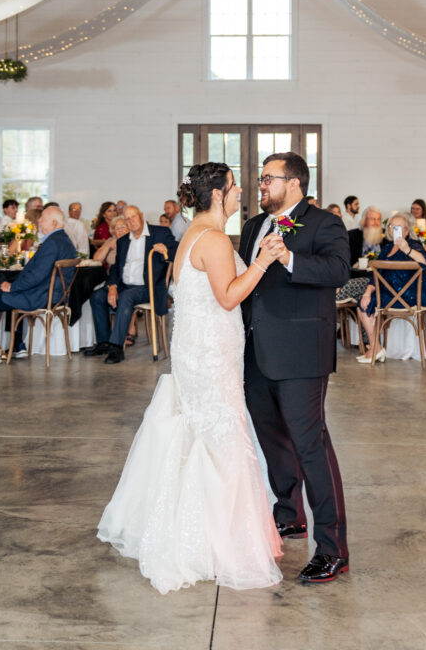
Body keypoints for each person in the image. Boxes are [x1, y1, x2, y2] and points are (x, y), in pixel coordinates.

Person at [97, 162, 285, 593]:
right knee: (218, 436)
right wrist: (262, 261)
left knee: (201, 431)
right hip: (211, 352)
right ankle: (214, 541)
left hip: (199, 350)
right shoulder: (214, 239)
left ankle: (195, 527)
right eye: (235, 187)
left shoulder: (191, 236)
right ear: (218, 194)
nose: (240, 193)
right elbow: (229, 296)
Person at [240, 152, 351, 585]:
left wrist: (287, 257)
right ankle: (290, 514)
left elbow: (339, 270)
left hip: (302, 353)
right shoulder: (253, 226)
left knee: (310, 446)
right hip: (256, 352)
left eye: (269, 178)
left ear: (296, 182)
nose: (261, 184)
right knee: (271, 437)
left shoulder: (324, 223)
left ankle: (332, 548)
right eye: (261, 178)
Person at [0, 206, 77, 365]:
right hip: (53, 295)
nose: (39, 221)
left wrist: (13, 287)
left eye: (43, 218)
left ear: (54, 223)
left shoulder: (52, 243)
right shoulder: (64, 241)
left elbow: (37, 275)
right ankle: (11, 344)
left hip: (40, 297)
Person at [84, 205, 176, 363]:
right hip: (125, 285)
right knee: (97, 296)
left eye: (133, 217)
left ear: (141, 215)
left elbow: (177, 249)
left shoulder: (159, 233)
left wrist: (166, 249)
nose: (131, 221)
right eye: (127, 219)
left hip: (148, 287)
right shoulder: (123, 241)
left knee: (126, 297)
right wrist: (112, 286)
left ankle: (116, 348)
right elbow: (115, 269)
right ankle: (104, 342)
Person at [356, 212, 426, 364]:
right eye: (392, 227)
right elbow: (376, 275)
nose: (394, 230)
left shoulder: (414, 245)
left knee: (367, 303)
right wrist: (367, 293)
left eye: (398, 227)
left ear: (406, 230)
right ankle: (376, 347)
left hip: (411, 296)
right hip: (389, 295)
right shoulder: (387, 249)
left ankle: (374, 350)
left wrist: (407, 250)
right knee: (362, 304)